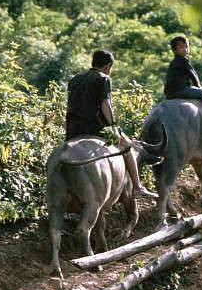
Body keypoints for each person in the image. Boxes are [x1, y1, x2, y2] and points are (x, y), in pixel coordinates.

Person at [66, 49, 154, 199]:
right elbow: (105, 104)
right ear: (107, 66)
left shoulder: (75, 79)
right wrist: (113, 125)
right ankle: (137, 186)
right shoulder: (103, 78)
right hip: (95, 128)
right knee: (127, 145)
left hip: (73, 129)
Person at [164, 35, 202, 131]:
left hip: (169, 93)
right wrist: (198, 87)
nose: (185, 49)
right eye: (181, 47)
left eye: (186, 46)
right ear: (175, 51)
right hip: (182, 89)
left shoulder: (173, 63)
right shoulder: (183, 61)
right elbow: (193, 76)